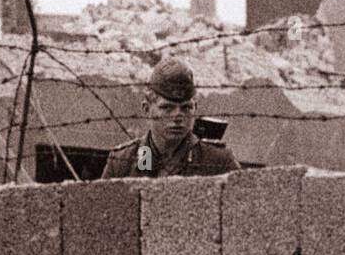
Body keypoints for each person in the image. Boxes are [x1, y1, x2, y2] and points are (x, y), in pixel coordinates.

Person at [100, 57, 240, 179]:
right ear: (147, 108)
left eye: (186, 108)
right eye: (167, 108)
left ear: (195, 108)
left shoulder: (217, 162)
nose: (177, 117)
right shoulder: (122, 162)